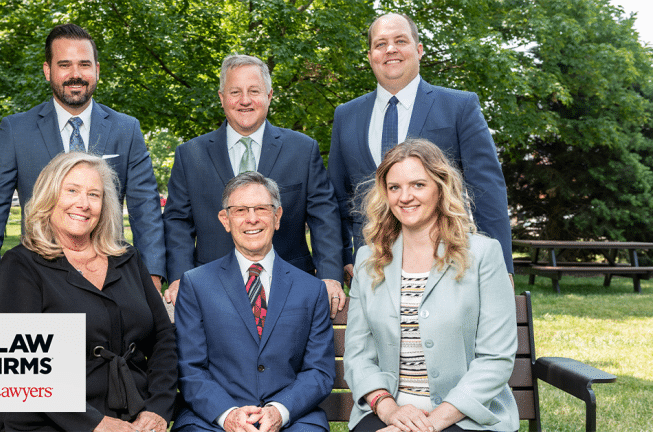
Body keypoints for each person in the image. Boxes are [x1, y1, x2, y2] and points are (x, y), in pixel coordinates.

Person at [0, 23, 165, 313]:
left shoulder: (127, 129)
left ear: (97, 69)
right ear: (48, 71)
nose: (76, 74)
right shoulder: (17, 130)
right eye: (65, 65)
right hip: (38, 276)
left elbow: (146, 208)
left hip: (111, 277)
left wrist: (151, 275)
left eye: (84, 64)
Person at [0, 152, 177, 432]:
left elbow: (163, 339)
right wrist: (95, 424)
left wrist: (158, 409)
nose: (83, 204)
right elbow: (22, 365)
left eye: (94, 194)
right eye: (72, 190)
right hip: (49, 422)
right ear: (49, 197)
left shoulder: (127, 259)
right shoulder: (22, 265)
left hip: (135, 419)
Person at [343, 139, 518, 432]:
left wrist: (431, 424)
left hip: (466, 414)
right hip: (392, 409)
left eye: (418, 185)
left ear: (440, 187)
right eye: (394, 187)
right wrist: (389, 412)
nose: (405, 196)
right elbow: (358, 355)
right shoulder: (368, 260)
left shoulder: (482, 254)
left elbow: (496, 359)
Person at [328, 13, 514, 285]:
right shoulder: (346, 115)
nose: (390, 49)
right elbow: (336, 196)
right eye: (380, 44)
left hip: (446, 262)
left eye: (400, 41)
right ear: (370, 56)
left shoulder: (459, 107)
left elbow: (488, 189)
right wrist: (342, 256)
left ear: (418, 50)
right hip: (370, 265)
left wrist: (502, 267)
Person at [163, 54, 345, 317]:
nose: (245, 100)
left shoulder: (303, 150)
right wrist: (180, 277)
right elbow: (178, 222)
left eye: (254, 91)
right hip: (211, 291)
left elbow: (324, 217)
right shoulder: (190, 155)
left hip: (289, 292)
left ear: (269, 95)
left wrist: (329, 276)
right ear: (221, 97)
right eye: (235, 92)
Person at [173, 172, 335, 432]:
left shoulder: (311, 289)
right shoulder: (196, 285)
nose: (252, 219)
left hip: (292, 420)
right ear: (225, 220)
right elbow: (190, 369)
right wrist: (228, 415)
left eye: (261, 208)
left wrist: (279, 411)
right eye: (240, 210)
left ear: (277, 216)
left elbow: (319, 371)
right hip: (213, 421)